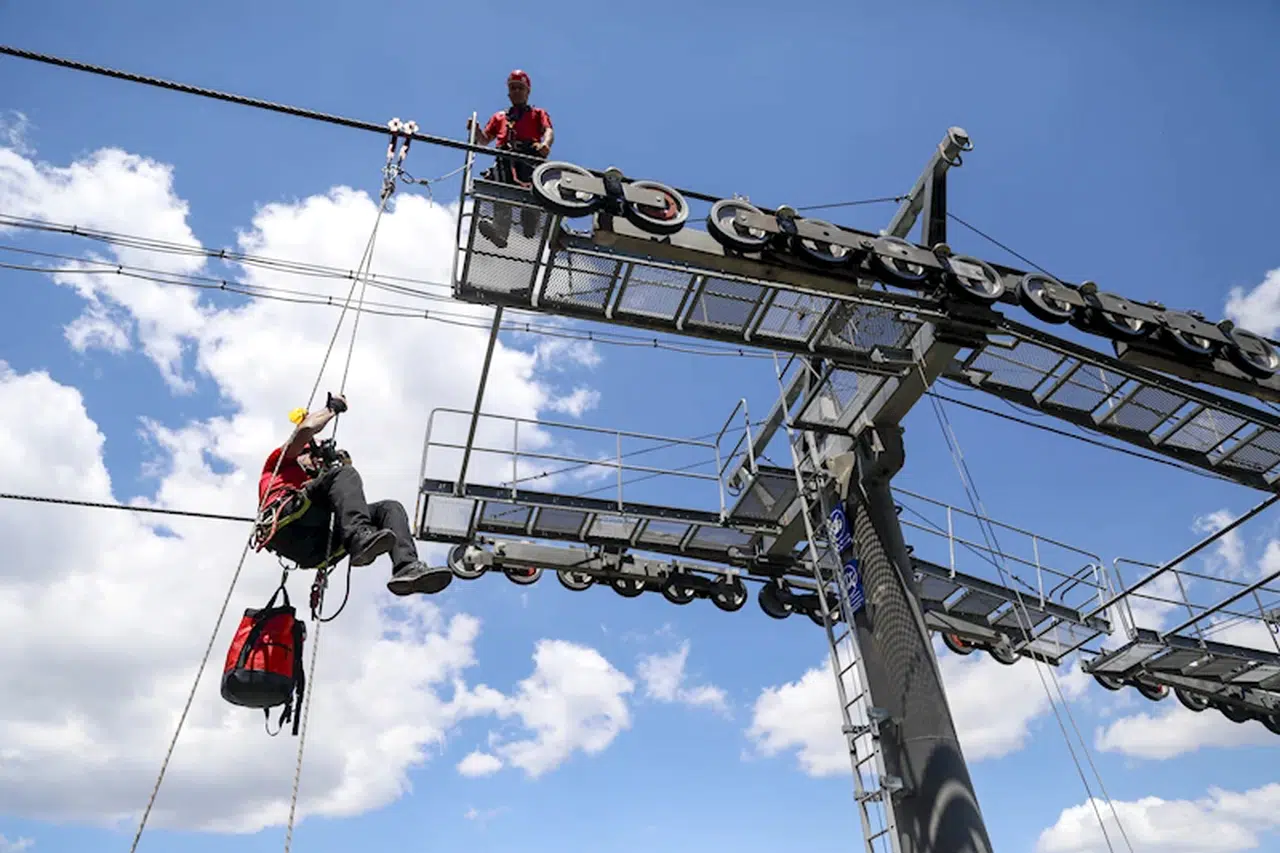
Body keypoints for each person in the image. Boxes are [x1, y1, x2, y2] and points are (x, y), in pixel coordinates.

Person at [256, 393, 452, 597]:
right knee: (344, 474)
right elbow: (305, 431)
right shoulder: (282, 463)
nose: (317, 462)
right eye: (313, 456)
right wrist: (331, 409)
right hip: (287, 524)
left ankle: (407, 567)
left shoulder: (321, 484)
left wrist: (336, 463)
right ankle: (359, 537)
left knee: (389, 508)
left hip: (317, 547)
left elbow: (344, 494)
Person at [466, 68, 555, 248]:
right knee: (501, 191)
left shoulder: (537, 114)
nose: (516, 92)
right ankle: (500, 232)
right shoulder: (500, 117)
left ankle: (531, 219)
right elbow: (484, 141)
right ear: (508, 93)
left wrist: (546, 145)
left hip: (529, 157)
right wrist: (475, 130)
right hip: (505, 159)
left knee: (532, 187)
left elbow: (548, 130)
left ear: (527, 91)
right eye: (513, 88)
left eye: (520, 88)